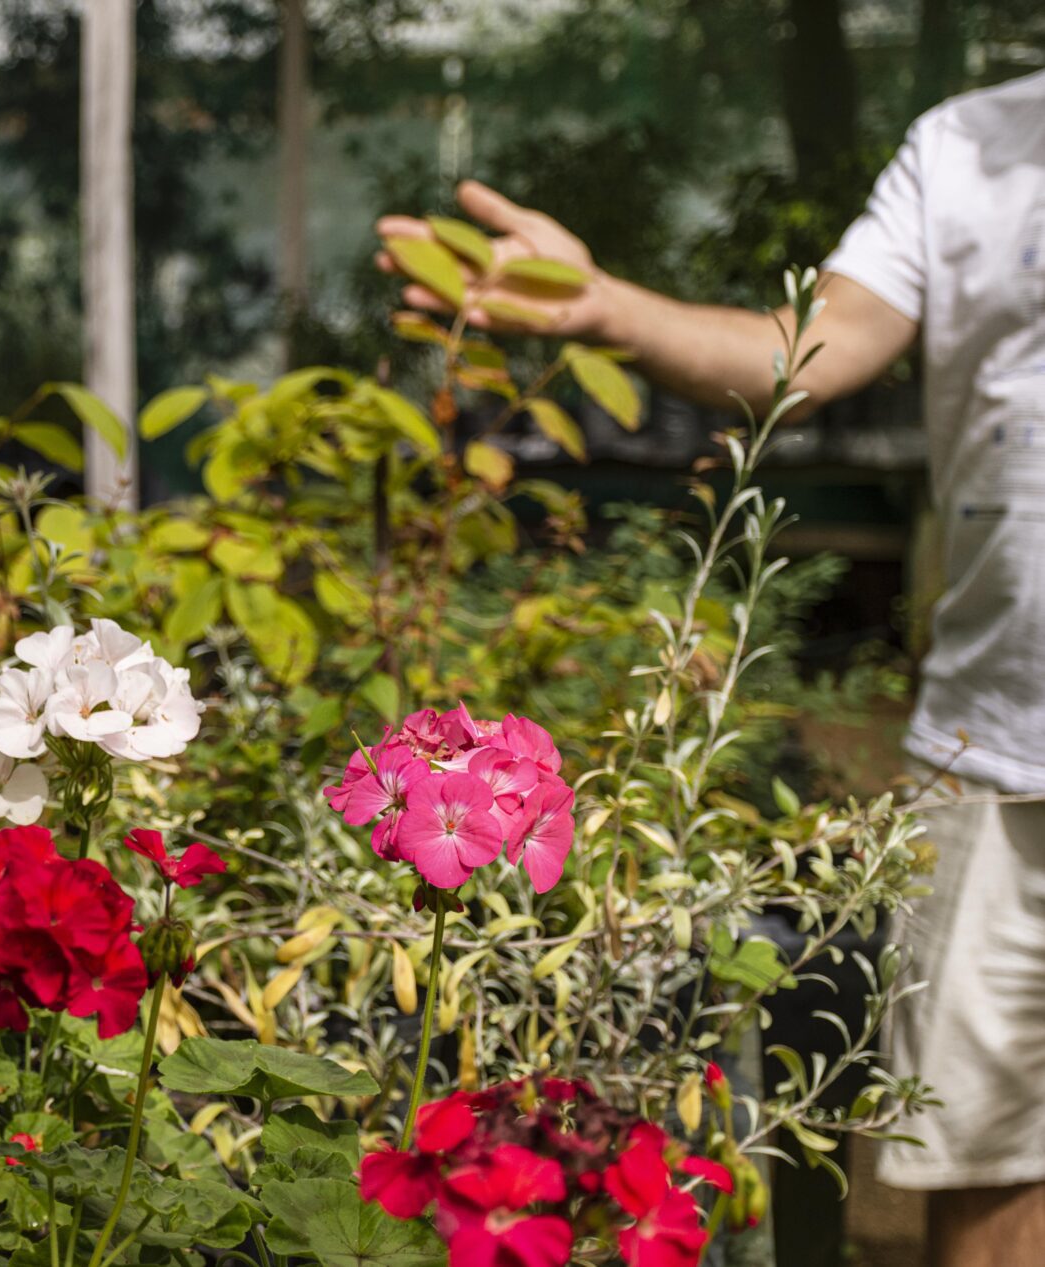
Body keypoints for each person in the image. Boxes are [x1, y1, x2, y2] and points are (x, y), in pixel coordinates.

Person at [376, 69, 1045, 1267]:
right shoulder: (964, 145)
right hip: (997, 747)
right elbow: (803, 350)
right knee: (990, 1166)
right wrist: (603, 310)